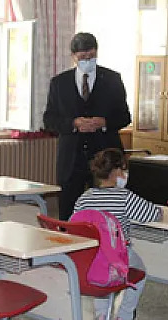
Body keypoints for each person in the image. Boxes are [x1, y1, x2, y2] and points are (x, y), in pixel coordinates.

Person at [44, 32, 132, 221]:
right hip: (71, 159)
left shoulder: (112, 79)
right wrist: (73, 124)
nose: (88, 60)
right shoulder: (59, 83)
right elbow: (49, 119)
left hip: (105, 158)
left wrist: (105, 122)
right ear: (73, 56)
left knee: (107, 213)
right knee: (68, 212)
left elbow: (125, 116)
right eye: (83, 57)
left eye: (91, 56)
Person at [73, 148, 162, 320]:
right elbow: (153, 214)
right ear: (115, 172)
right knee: (140, 273)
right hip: (119, 257)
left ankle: (102, 318)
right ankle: (124, 318)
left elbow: (73, 225)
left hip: (91, 259)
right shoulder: (124, 197)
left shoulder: (84, 198)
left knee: (100, 273)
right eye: (123, 169)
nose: (125, 174)